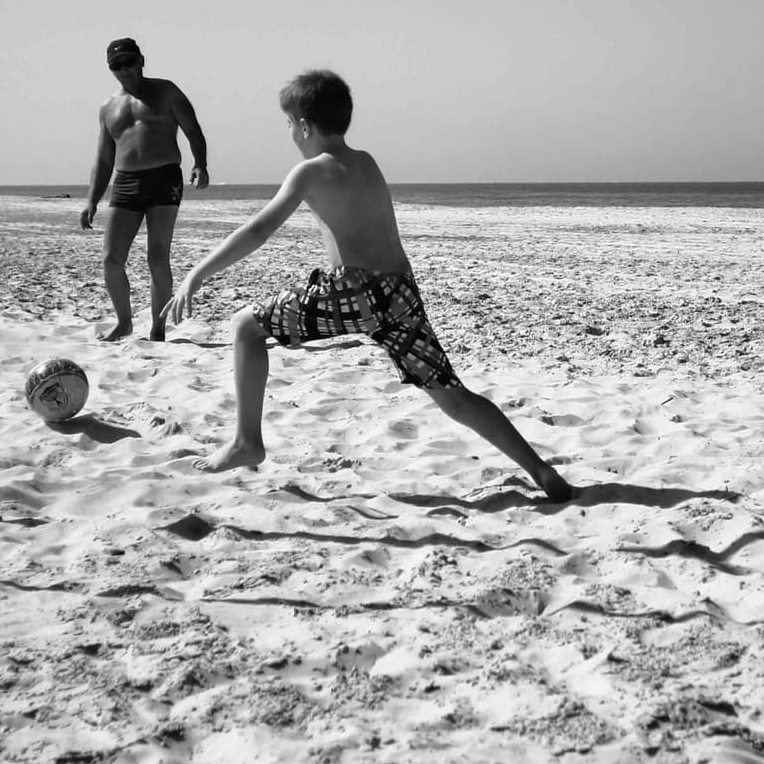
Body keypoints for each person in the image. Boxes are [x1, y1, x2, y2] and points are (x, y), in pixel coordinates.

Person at [165, 70, 573, 502]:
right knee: (452, 395)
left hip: (353, 292)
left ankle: (247, 440)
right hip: (400, 294)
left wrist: (198, 273)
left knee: (246, 327)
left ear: (304, 126)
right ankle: (540, 469)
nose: (289, 134)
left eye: (288, 125)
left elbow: (257, 231)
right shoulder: (367, 161)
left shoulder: (308, 172)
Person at [81, 37, 210, 341]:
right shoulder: (108, 108)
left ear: (141, 60)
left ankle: (157, 327)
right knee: (111, 259)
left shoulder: (166, 91)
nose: (124, 69)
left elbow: (193, 129)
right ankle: (124, 322)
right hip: (125, 182)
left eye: (128, 62)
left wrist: (200, 163)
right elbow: (103, 159)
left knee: (157, 256)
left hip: (164, 177)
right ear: (109, 69)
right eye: (116, 65)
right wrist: (91, 201)